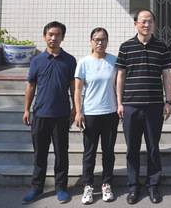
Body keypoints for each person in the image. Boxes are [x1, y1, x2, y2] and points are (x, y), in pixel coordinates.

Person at [116, 9, 171, 205]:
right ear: (135, 24)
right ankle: (133, 187)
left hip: (154, 106)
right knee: (132, 149)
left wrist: (168, 101)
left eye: (150, 21)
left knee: (153, 148)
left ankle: (153, 186)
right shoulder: (126, 47)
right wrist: (120, 103)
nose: (146, 25)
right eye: (143, 21)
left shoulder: (162, 47)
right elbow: (121, 76)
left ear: (154, 24)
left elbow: (167, 75)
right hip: (131, 106)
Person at [22, 21, 76, 205]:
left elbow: (73, 86)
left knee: (61, 154)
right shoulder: (37, 61)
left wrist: (75, 108)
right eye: (51, 34)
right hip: (40, 115)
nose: (54, 38)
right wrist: (26, 109)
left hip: (61, 115)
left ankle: (61, 188)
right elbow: (31, 86)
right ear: (44, 36)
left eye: (58, 34)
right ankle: (37, 188)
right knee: (40, 154)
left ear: (63, 37)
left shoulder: (69, 60)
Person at [75, 27, 119, 204]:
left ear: (107, 41)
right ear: (91, 41)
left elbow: (119, 86)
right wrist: (78, 112)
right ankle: (88, 186)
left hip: (110, 112)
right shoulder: (84, 62)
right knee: (89, 152)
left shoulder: (114, 61)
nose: (100, 42)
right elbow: (77, 89)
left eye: (103, 39)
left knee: (108, 151)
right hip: (90, 113)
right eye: (96, 39)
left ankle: (107, 184)